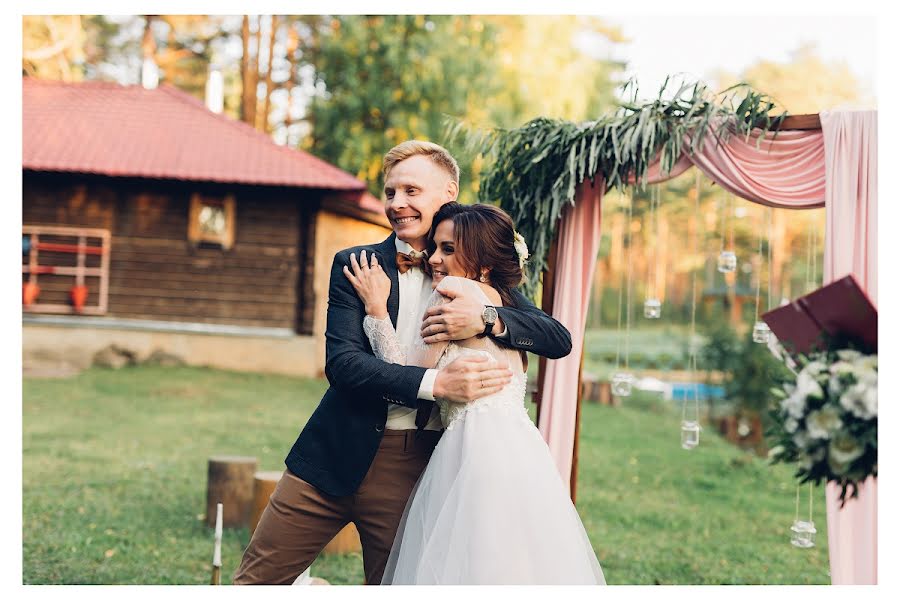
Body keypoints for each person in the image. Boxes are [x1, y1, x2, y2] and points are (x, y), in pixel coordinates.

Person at [233, 141, 572, 585]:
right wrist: (437, 384)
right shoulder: (356, 265)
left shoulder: (470, 267)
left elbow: (555, 337)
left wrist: (486, 318)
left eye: (411, 191)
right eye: (391, 192)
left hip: (417, 470)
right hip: (332, 451)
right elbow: (344, 365)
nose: (397, 204)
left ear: (448, 193)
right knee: (254, 584)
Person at [344, 201, 605, 584]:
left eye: (448, 249)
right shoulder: (503, 300)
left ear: (482, 261)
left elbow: (405, 377)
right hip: (523, 452)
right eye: (435, 246)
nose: (433, 258)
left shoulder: (450, 292)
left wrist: (375, 309)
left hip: (472, 450)